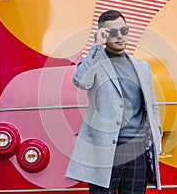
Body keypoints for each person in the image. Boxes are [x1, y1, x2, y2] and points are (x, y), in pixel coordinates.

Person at [66, 10, 162, 193]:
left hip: (137, 149)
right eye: (112, 32)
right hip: (105, 150)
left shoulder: (142, 67)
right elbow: (81, 81)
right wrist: (96, 46)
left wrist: (156, 137)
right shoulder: (93, 62)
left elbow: (152, 106)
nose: (119, 36)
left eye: (123, 30)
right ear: (103, 34)